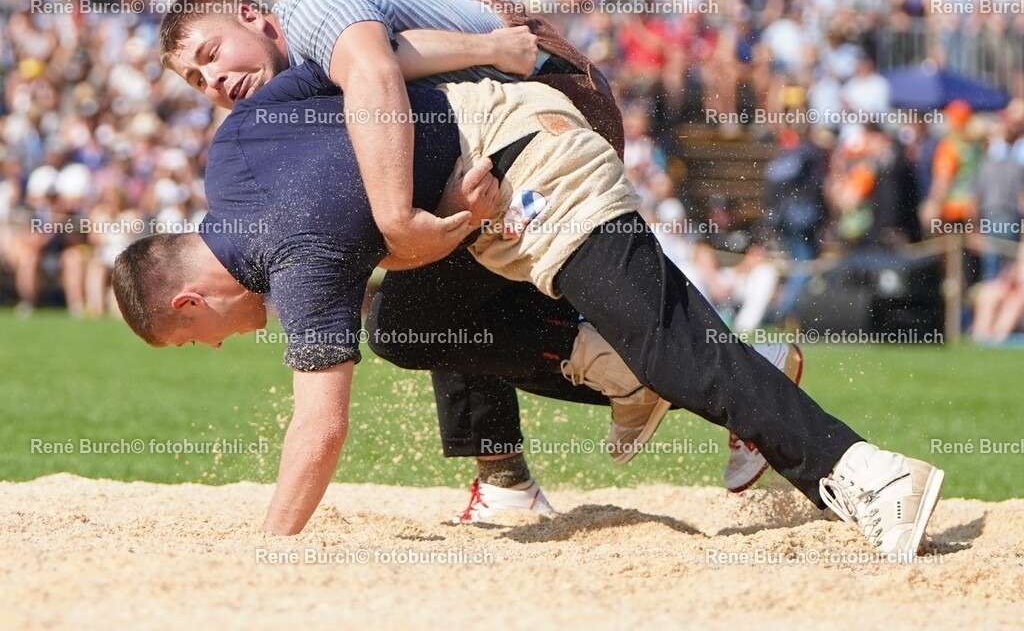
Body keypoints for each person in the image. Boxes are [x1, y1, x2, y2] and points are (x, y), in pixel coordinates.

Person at [112, 62, 944, 557]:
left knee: (671, 347)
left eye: (192, 340)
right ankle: (610, 382)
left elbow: (318, 431)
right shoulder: (232, 149)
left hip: (531, 157)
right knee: (407, 326)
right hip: (491, 193)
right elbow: (365, 52)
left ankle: (866, 474)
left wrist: (272, 551)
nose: (213, 349)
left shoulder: (299, 270)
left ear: (188, 301)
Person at [156, 0, 783, 519]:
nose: (212, 80)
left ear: (250, 16)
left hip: (548, 100)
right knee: (418, 311)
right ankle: (550, 447)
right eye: (194, 79)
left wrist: (401, 218)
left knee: (414, 313)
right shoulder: (296, 84)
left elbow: (385, 63)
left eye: (211, 54)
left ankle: (706, 390)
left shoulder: (307, 12)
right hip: (504, 119)